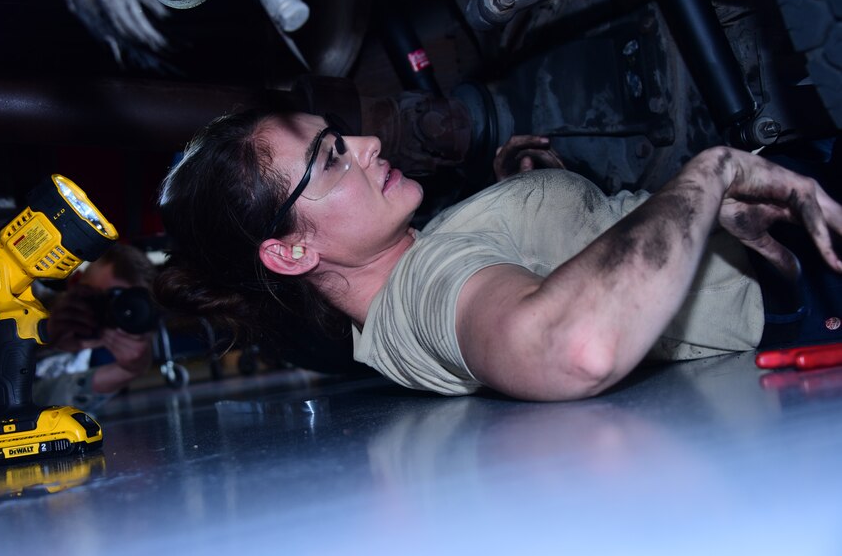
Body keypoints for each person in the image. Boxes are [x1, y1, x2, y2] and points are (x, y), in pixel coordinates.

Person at [154, 106, 842, 401]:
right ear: (293, 250)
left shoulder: (405, 272)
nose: (363, 144)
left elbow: (524, 275)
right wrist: (712, 171)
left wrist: (534, 198)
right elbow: (573, 346)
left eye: (341, 136)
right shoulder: (425, 284)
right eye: (331, 159)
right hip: (809, 262)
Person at [0, 242, 156, 432]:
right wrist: (38, 334)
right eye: (100, 300)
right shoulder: (10, 291)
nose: (107, 314)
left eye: (124, 311)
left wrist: (128, 371)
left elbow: (23, 414)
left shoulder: (79, 365)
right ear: (76, 282)